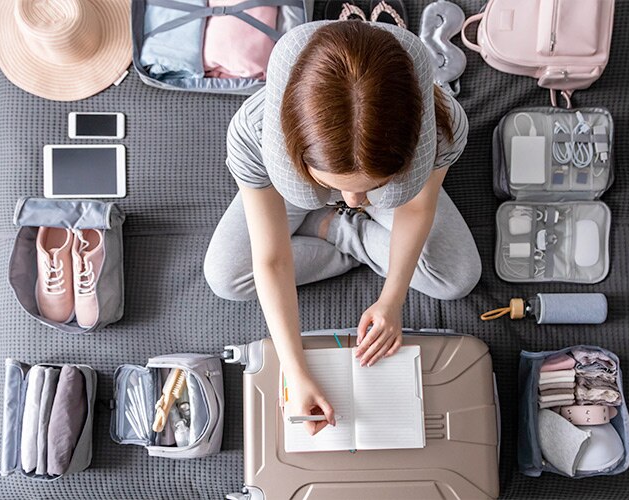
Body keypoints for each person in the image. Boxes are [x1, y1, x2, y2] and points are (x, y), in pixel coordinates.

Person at [204, 21, 481, 435]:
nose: (354, 202)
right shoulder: (253, 132)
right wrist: (294, 371)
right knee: (226, 277)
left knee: (457, 277)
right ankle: (337, 222)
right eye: (336, 188)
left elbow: (415, 210)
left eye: (370, 189)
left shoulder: (443, 128)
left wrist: (392, 300)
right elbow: (271, 257)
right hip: (292, 198)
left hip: (384, 203)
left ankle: (340, 229)